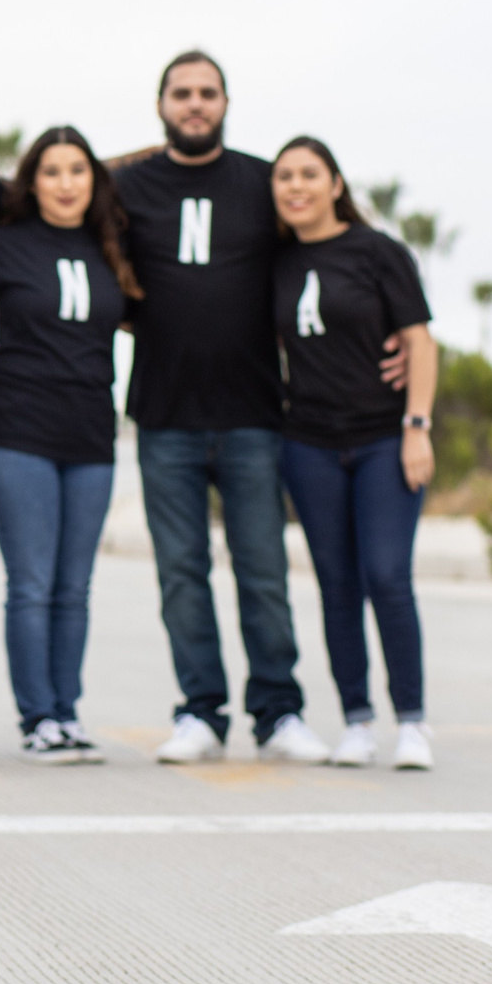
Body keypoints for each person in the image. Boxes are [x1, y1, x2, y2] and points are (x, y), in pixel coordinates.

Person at [112, 52, 330, 766]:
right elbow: (53, 191)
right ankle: (200, 710)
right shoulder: (129, 187)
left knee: (264, 571)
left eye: (207, 93)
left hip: (253, 416)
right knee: (181, 573)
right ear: (161, 105)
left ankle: (279, 711)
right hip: (165, 414)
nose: (195, 104)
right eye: (182, 94)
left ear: (227, 101)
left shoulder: (262, 181)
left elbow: (323, 254)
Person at [270, 136, 439, 771]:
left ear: (335, 184)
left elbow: (420, 343)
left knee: (388, 577)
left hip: (381, 441)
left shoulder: (378, 252)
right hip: (308, 443)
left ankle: (414, 724)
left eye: (309, 174)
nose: (296, 186)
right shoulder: (275, 263)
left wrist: (416, 426)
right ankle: (358, 722)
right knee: (337, 586)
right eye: (284, 177)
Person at [0, 127, 139, 764]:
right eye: (52, 171)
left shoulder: (111, 248)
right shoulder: (4, 244)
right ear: (31, 181)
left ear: (93, 180)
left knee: (76, 587)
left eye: (78, 170)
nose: (66, 183)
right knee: (33, 582)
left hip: (92, 435)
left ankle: (68, 713)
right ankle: (37, 718)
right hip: (17, 432)